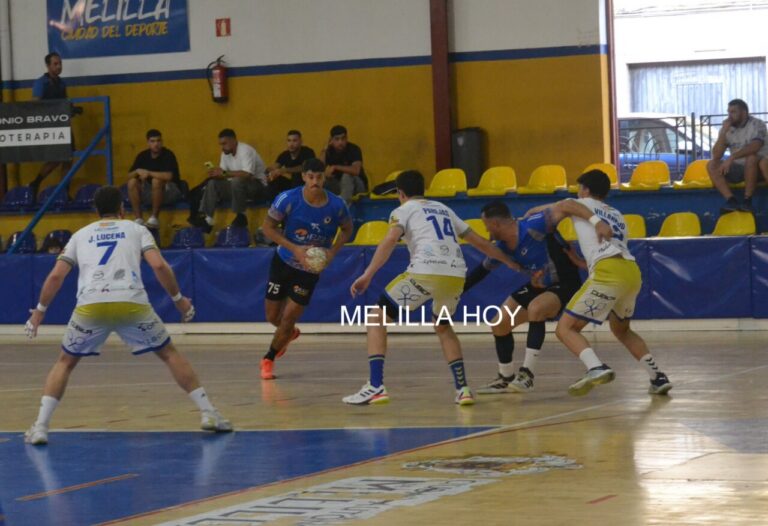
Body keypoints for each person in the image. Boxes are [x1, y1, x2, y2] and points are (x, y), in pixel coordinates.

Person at [23, 186, 232, 445]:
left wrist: (39, 313)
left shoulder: (80, 235)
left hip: (91, 305)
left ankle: (41, 427)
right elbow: (158, 265)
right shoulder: (136, 229)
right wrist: (179, 300)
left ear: (95, 210)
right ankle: (208, 413)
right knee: (169, 353)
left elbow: (56, 276)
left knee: (65, 362)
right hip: (131, 303)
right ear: (122, 209)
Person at [343, 170, 520, 406]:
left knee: (377, 317)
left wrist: (367, 274)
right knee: (443, 326)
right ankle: (463, 389)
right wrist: (510, 262)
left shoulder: (402, 210)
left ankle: (376, 386)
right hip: (456, 275)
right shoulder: (444, 209)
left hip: (426, 271)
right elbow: (479, 241)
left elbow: (388, 241)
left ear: (400, 193)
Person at [525, 170, 673, 397]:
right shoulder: (617, 214)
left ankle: (596, 367)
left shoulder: (580, 204)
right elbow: (607, 246)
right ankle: (657, 377)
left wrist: (529, 214)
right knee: (621, 330)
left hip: (608, 272)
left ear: (584, 189)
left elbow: (565, 205)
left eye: (578, 189)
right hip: (630, 272)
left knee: (566, 329)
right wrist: (580, 261)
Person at [463, 200, 584, 394]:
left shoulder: (533, 226)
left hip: (565, 282)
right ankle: (505, 377)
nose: (487, 232)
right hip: (539, 285)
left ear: (495, 224)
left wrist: (595, 221)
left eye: (486, 226)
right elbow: (480, 272)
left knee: (536, 308)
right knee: (499, 322)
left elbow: (566, 206)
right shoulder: (502, 248)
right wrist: (456, 292)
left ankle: (527, 375)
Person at [259, 158, 353, 380]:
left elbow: (348, 229)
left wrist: (332, 252)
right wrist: (296, 249)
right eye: (310, 177)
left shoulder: (337, 205)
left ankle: (268, 358)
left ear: (324, 178)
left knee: (289, 316)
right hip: (283, 262)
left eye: (319, 177)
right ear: (303, 177)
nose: (315, 182)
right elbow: (267, 228)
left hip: (310, 270)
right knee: (273, 317)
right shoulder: (287, 199)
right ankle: (289, 335)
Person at [192, 129, 267, 233]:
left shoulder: (246, 150)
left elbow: (247, 174)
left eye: (224, 143)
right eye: (220, 144)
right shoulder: (225, 154)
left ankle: (241, 215)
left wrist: (223, 173)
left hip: (257, 186)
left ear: (233, 140)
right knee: (213, 183)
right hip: (237, 188)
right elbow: (224, 175)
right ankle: (208, 219)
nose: (222, 147)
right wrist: (216, 174)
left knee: (237, 181)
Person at [707, 99, 766, 213]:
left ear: (744, 113)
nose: (729, 116)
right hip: (738, 168)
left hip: (758, 167)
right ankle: (731, 200)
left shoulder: (757, 124)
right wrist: (723, 132)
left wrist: (732, 157)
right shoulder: (728, 128)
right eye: (728, 112)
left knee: (751, 158)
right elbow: (716, 155)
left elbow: (755, 146)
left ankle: (747, 200)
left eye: (733, 112)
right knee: (712, 164)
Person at [29, 52, 73, 200]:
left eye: (60, 63)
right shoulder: (41, 83)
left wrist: (72, 108)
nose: (59, 66)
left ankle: (65, 192)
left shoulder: (62, 83)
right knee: (56, 158)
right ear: (48, 66)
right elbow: (36, 104)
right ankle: (36, 182)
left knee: (69, 158)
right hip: (50, 126)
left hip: (63, 125)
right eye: (55, 64)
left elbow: (64, 102)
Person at [126, 129, 183, 228]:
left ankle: (154, 218)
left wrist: (148, 173)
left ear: (162, 142)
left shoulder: (168, 155)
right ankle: (138, 218)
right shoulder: (142, 156)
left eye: (158, 141)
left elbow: (168, 176)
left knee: (156, 181)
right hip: (151, 192)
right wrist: (137, 171)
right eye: (153, 141)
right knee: (132, 182)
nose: (156, 144)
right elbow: (128, 176)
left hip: (169, 191)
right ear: (148, 143)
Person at [321, 125, 368, 204]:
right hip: (339, 186)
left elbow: (356, 170)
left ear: (347, 138)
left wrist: (335, 167)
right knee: (321, 179)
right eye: (337, 139)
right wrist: (324, 150)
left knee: (347, 176)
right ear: (331, 140)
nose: (340, 142)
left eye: (343, 138)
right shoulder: (329, 151)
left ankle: (344, 208)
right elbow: (319, 168)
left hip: (358, 186)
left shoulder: (354, 149)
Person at [266, 130, 316, 199]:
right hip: (292, 185)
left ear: (301, 141)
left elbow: (305, 167)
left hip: (306, 184)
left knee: (297, 176)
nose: (291, 144)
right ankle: (273, 203)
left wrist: (284, 170)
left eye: (294, 141)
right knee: (274, 180)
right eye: (289, 141)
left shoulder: (307, 152)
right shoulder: (284, 154)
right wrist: (270, 173)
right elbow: (275, 166)